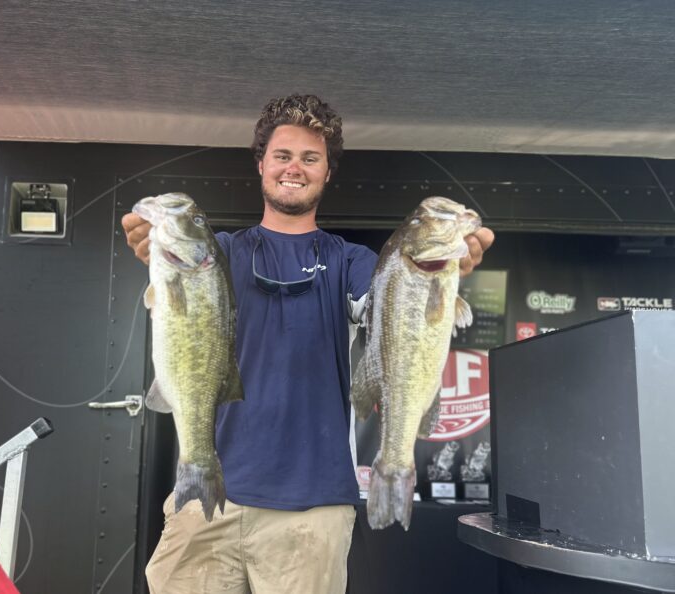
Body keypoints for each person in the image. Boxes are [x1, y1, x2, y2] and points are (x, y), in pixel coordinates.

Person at [122, 94, 495, 594]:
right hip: (208, 498)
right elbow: (172, 293)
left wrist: (446, 275)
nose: (294, 168)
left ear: (326, 173)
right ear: (261, 164)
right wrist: (153, 250)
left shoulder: (352, 261)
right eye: (282, 155)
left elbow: (396, 305)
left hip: (313, 508)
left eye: (310, 158)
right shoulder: (218, 253)